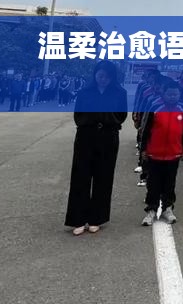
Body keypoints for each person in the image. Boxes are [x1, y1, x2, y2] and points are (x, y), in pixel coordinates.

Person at [65, 61, 128, 236]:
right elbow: (78, 115)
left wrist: (106, 120)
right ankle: (78, 219)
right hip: (86, 137)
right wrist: (92, 121)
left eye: (107, 77)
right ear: (95, 75)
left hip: (108, 138)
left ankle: (96, 218)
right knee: (80, 177)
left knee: (104, 178)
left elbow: (121, 116)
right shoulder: (85, 92)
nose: (103, 79)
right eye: (100, 75)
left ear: (112, 77)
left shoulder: (119, 93)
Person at [140, 81, 183, 225]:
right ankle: (151, 209)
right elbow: (146, 130)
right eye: (169, 94)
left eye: (175, 94)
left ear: (179, 95)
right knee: (153, 184)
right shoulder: (155, 108)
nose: (172, 97)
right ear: (163, 94)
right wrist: (143, 149)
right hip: (154, 153)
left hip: (173, 154)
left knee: (170, 183)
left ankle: (167, 208)